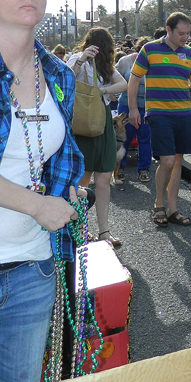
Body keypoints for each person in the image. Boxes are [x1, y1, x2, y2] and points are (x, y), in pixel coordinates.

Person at [0, 0, 84, 382]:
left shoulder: (58, 74)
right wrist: (37, 205)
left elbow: (49, 158)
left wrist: (65, 191)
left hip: (31, 270)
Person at [128, 12, 191, 227]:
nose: (185, 37)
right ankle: (159, 204)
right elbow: (134, 79)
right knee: (167, 161)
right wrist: (133, 109)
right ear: (168, 30)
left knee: (177, 161)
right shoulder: (150, 49)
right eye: (181, 33)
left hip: (184, 113)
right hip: (159, 113)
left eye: (188, 33)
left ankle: (173, 209)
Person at [68, 28, 127, 247]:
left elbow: (123, 84)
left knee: (101, 179)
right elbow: (65, 78)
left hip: (99, 123)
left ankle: (102, 231)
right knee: (84, 181)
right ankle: (82, 230)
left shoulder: (104, 66)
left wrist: (100, 91)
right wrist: (81, 60)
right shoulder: (78, 59)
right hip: (84, 125)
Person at [116, 36, 152, 183]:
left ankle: (144, 169)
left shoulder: (155, 62)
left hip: (147, 107)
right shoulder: (125, 62)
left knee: (145, 139)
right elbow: (113, 77)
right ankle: (119, 168)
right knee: (124, 138)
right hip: (125, 106)